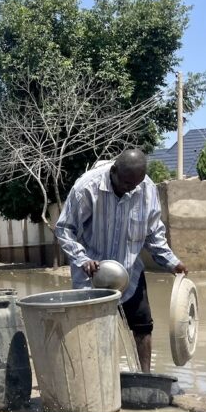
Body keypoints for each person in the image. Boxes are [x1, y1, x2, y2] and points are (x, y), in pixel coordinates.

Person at [54, 148, 188, 374]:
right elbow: (65, 229)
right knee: (92, 331)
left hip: (129, 273)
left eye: (135, 184)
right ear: (113, 171)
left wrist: (171, 262)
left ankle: (145, 376)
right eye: (126, 183)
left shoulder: (146, 189)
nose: (130, 189)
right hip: (93, 276)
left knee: (143, 326)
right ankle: (95, 379)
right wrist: (82, 259)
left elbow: (154, 233)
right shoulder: (86, 188)